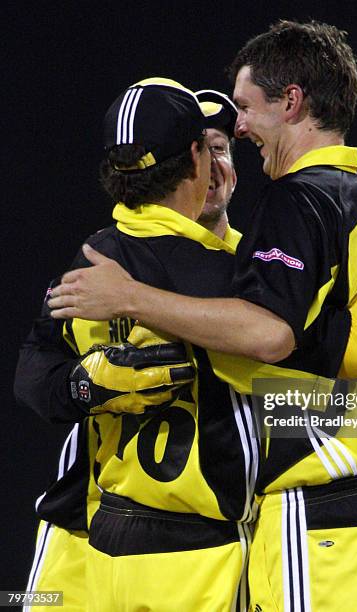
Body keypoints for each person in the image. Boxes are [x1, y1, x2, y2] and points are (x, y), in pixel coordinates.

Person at [46, 21, 357, 612]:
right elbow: (341, 354)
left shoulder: (288, 211)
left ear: (293, 102)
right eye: (206, 147)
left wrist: (130, 298)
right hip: (96, 542)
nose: (239, 131)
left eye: (240, 120)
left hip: (306, 518)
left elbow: (285, 340)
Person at [15, 82, 255, 612]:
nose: (214, 164)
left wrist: (134, 300)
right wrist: (85, 385)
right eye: (204, 146)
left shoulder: (98, 264)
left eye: (224, 148)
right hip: (84, 531)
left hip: (181, 543)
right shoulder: (98, 260)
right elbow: (33, 372)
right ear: (190, 162)